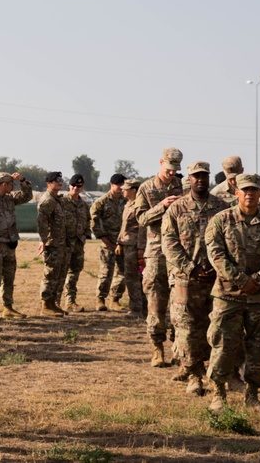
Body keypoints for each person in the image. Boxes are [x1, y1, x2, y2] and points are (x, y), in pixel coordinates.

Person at [205, 174, 260, 412]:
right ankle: (218, 394)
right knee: (223, 344)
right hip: (228, 295)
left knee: (259, 346)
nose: (250, 194)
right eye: (245, 190)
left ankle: (252, 394)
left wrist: (258, 279)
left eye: (254, 190)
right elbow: (216, 254)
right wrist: (241, 280)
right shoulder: (221, 220)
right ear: (236, 192)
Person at [162, 162, 229, 395]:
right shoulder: (176, 209)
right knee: (187, 328)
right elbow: (169, 244)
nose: (200, 179)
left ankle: (215, 372)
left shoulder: (222, 207)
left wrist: (218, 267)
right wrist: (191, 268)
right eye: (195, 176)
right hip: (186, 280)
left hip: (216, 279)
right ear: (189, 179)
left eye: (204, 176)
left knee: (216, 326)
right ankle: (193, 375)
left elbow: (229, 242)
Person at [136, 147, 184, 367]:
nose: (172, 173)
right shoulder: (146, 188)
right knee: (156, 299)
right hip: (156, 250)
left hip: (178, 250)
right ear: (160, 163)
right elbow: (141, 218)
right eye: (169, 169)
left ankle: (177, 347)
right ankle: (157, 348)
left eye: (175, 169)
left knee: (179, 301)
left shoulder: (182, 187)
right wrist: (161, 206)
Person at [0, 170, 34, 318]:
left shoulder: (9, 198)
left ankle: (8, 307)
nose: (13, 187)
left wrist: (23, 180)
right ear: (4, 184)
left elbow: (27, 196)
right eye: (12, 184)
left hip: (11, 243)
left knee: (9, 277)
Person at [90, 174, 128, 311]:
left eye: (123, 185)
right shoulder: (102, 201)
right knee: (106, 272)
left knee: (122, 273)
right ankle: (100, 299)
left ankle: (115, 299)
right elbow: (93, 221)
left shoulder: (126, 201)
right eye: (119, 185)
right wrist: (103, 237)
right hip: (108, 242)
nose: (121, 188)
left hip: (123, 242)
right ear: (112, 185)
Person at [37, 171, 69, 317]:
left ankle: (52, 303)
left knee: (58, 274)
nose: (60, 182)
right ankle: (45, 304)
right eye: (56, 180)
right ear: (49, 183)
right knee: (50, 274)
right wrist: (43, 240)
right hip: (52, 243)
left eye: (61, 180)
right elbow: (42, 222)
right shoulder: (47, 200)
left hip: (60, 243)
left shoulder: (57, 199)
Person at [60, 174, 91, 313]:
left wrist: (85, 235)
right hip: (64, 243)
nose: (75, 188)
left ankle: (70, 301)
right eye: (73, 185)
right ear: (69, 186)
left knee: (74, 273)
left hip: (78, 244)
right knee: (60, 274)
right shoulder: (62, 202)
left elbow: (87, 221)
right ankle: (54, 302)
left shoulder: (84, 204)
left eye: (79, 186)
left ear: (82, 187)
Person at [117, 178, 146, 318]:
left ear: (134, 190)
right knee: (130, 277)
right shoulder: (128, 204)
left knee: (133, 278)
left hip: (134, 246)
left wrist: (141, 248)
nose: (122, 190)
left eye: (126, 188)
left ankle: (137, 309)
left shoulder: (139, 206)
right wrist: (119, 242)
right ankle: (139, 307)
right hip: (127, 244)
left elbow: (142, 228)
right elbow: (124, 227)